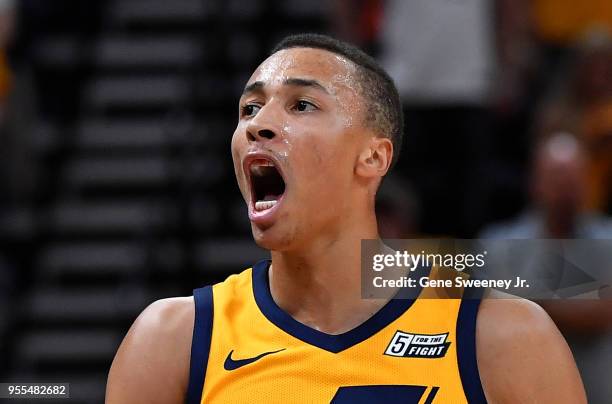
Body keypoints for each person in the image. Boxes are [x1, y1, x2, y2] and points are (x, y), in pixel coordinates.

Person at [106, 34, 585, 403]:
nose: (258, 123)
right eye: (249, 108)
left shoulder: (501, 337)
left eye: (302, 104)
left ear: (373, 158)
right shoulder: (174, 341)